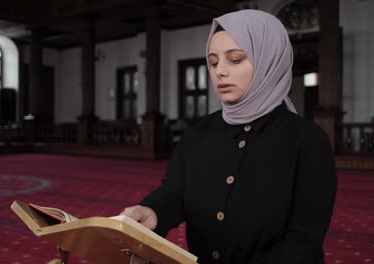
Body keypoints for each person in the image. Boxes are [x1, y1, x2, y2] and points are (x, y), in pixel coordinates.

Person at [121, 9, 337, 264]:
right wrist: (152, 211)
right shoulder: (198, 134)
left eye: (235, 59)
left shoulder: (307, 142)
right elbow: (175, 193)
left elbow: (303, 241)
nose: (219, 71)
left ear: (270, 61)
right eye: (213, 62)